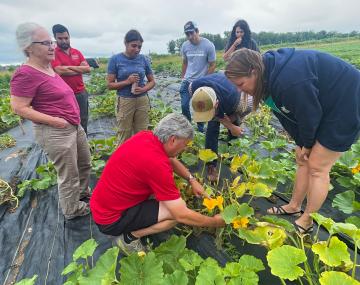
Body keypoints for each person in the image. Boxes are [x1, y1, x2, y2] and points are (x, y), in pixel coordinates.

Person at [225, 48, 360, 233]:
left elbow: (309, 115)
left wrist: (307, 143)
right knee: (303, 160)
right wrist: (300, 143)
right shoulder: (265, 79)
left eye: (241, 84)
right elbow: (287, 115)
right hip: (323, 105)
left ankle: (307, 220)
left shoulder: (288, 80)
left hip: (346, 104)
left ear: (254, 71)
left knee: (318, 167)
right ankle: (294, 206)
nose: (241, 90)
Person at [90, 113, 225, 254]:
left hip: (102, 206)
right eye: (184, 145)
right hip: (110, 220)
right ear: (173, 140)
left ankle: (135, 223)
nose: (183, 150)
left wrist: (191, 179)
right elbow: (181, 214)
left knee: (166, 200)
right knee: (173, 214)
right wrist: (215, 222)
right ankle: (129, 238)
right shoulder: (157, 164)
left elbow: (170, 159)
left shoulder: (147, 136)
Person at [10, 23, 92, 219]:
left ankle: (81, 194)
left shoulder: (47, 68)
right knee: (68, 174)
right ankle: (72, 209)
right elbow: (19, 107)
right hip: (56, 131)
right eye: (45, 43)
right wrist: (55, 121)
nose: (52, 47)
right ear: (28, 47)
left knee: (85, 163)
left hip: (73, 125)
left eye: (51, 42)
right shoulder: (25, 74)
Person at [189, 73, 253, 181]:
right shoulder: (193, 88)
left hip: (232, 100)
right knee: (212, 129)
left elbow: (248, 108)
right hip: (219, 88)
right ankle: (211, 165)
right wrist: (227, 124)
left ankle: (232, 158)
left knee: (234, 132)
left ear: (216, 104)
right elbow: (214, 116)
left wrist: (232, 125)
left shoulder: (240, 100)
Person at [107, 29, 155, 145]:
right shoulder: (116, 59)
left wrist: (143, 89)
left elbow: (152, 81)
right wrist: (128, 81)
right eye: (133, 46)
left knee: (142, 133)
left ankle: (140, 159)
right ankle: (123, 161)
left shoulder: (143, 59)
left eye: (139, 47)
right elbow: (110, 85)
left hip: (142, 100)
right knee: (124, 133)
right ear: (125, 43)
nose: (137, 49)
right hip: (125, 100)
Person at [51, 24, 91, 134]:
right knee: (68, 121)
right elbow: (59, 70)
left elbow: (87, 69)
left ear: (69, 37)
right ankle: (74, 145)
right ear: (55, 38)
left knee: (83, 119)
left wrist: (68, 68)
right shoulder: (53, 54)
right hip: (64, 94)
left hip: (80, 92)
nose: (64, 41)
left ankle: (84, 143)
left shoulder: (77, 52)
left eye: (66, 38)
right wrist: (79, 68)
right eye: (60, 38)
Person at [180, 21, 216, 133]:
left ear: (197, 31)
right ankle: (188, 127)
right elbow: (185, 62)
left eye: (192, 33)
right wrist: (182, 77)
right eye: (187, 34)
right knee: (184, 105)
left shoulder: (208, 45)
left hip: (201, 82)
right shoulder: (185, 46)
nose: (190, 37)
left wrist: (205, 80)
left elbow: (213, 64)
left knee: (200, 106)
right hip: (187, 81)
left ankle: (200, 129)